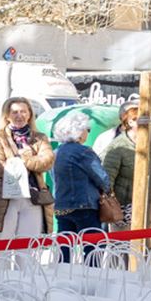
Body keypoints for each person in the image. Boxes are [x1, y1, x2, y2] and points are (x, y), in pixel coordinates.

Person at [0, 97, 55, 237]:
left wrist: (24, 159)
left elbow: (47, 161)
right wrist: (29, 162)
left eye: (23, 111)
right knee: (1, 249)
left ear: (29, 115)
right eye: (14, 112)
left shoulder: (40, 138)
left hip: (33, 198)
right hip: (5, 198)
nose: (19, 115)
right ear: (7, 116)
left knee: (27, 251)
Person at [50, 111, 113, 264]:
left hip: (62, 205)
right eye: (87, 129)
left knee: (64, 246)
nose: (87, 133)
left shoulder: (56, 152)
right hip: (85, 205)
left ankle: (63, 277)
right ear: (79, 132)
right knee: (92, 248)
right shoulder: (84, 152)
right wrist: (107, 189)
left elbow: (54, 177)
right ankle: (90, 280)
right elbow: (101, 177)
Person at [100, 101, 139, 228]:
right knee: (121, 245)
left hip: (144, 204)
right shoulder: (118, 145)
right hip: (123, 206)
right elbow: (107, 177)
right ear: (131, 122)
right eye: (140, 120)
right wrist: (113, 204)